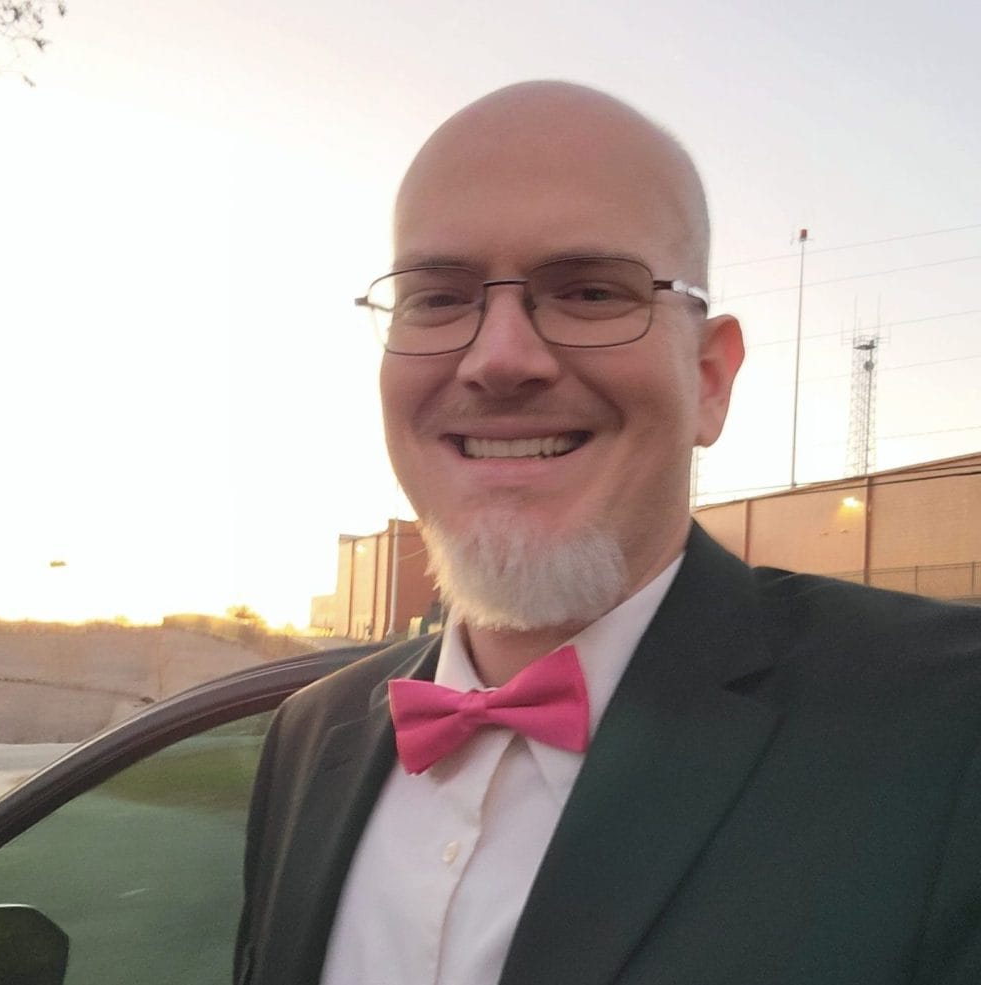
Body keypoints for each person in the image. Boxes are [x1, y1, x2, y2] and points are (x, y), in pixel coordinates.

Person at [235, 81, 981, 985]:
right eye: (437, 298)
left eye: (589, 291)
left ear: (710, 378)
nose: (499, 357)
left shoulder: (947, 729)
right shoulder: (310, 737)